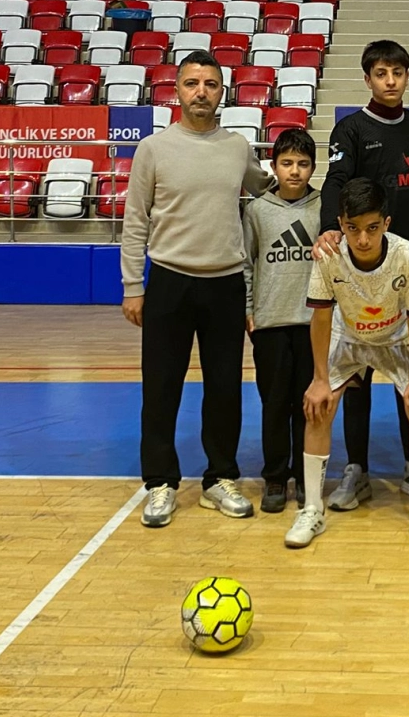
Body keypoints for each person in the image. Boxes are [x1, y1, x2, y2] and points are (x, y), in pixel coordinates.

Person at [121, 52, 272, 528]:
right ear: (177, 91)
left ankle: (219, 477)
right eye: (192, 83)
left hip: (226, 282)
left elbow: (267, 188)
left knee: (224, 388)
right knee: (160, 387)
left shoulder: (237, 148)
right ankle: (160, 482)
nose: (201, 91)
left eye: (210, 83)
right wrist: (133, 285)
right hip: (169, 281)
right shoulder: (153, 149)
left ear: (222, 91)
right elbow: (135, 221)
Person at [284, 179, 409, 551]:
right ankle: (311, 509)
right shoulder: (329, 257)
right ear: (340, 223)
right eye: (353, 229)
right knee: (318, 407)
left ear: (386, 223)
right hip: (349, 338)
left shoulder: (407, 255)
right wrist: (319, 379)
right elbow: (321, 317)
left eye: (372, 228)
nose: (363, 239)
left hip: (396, 338)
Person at [315, 39, 409, 510]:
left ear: (408, 77)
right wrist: (329, 228)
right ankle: (357, 469)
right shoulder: (350, 129)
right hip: (361, 265)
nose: (390, 81)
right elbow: (336, 181)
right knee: (357, 373)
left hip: (408, 267)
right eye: (381, 73)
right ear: (367, 79)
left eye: (397, 73)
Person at [242, 128, 321, 514]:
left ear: (313, 168)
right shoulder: (257, 210)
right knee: (274, 404)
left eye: (303, 164)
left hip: (312, 324)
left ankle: (307, 475)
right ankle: (275, 476)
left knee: (308, 405)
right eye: (287, 163)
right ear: (273, 166)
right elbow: (247, 263)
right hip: (270, 323)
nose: (294, 171)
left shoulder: (323, 208)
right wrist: (248, 309)